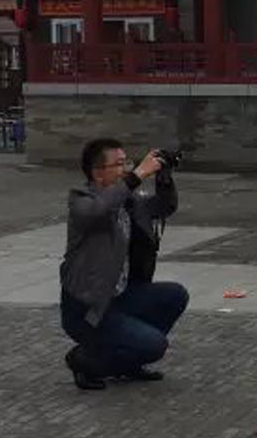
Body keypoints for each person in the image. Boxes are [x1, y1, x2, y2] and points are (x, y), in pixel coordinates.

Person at [60, 137, 188, 391]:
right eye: (118, 164)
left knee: (174, 295)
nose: (126, 169)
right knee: (154, 346)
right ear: (97, 173)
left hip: (120, 298)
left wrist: (164, 177)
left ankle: (127, 361)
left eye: (126, 162)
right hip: (88, 310)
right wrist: (138, 174)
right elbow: (99, 210)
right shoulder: (81, 200)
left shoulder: (130, 202)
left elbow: (164, 207)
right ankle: (85, 361)